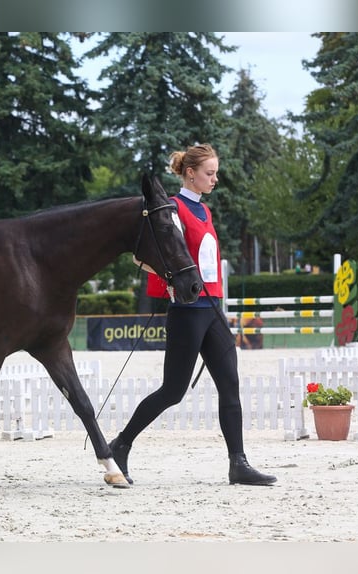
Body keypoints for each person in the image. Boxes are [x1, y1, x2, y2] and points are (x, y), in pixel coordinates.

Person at [109, 143, 276, 486]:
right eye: (210, 173)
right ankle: (120, 444)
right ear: (190, 174)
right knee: (173, 391)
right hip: (187, 311)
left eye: (215, 173)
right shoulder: (173, 209)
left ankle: (238, 463)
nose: (215, 179)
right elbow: (148, 258)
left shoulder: (204, 211)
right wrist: (167, 284)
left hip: (212, 309)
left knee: (230, 383)